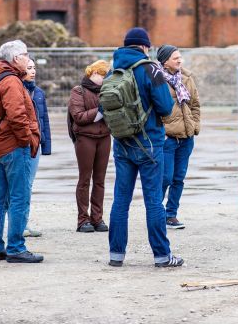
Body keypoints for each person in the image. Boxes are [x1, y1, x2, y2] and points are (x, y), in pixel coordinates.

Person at [107, 27, 184, 268]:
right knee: (153, 201)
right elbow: (165, 107)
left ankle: (116, 255)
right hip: (149, 142)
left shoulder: (113, 70)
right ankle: (162, 255)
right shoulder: (151, 68)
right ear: (144, 46)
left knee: (121, 200)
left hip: (121, 142)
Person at [0, 40, 44, 263]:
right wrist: (27, 140)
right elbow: (17, 116)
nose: (29, 59)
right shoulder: (11, 81)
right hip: (13, 147)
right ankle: (16, 248)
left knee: (0, 198)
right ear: (16, 58)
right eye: (26, 54)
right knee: (19, 197)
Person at [156, 44, 200, 230]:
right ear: (165, 62)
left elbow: (195, 104)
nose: (180, 61)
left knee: (178, 179)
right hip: (167, 139)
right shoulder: (156, 80)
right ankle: (156, 213)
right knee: (165, 177)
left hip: (186, 137)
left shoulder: (186, 78)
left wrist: (195, 126)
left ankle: (171, 214)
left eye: (180, 57)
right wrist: (162, 132)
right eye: (175, 58)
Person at [67, 59, 112, 233]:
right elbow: (78, 116)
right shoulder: (78, 91)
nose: (106, 79)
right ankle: (82, 219)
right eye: (103, 75)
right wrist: (100, 111)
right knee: (85, 179)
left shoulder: (107, 91)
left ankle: (97, 218)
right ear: (93, 74)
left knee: (100, 180)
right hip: (85, 138)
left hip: (104, 137)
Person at [21, 56, 51, 238]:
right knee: (20, 186)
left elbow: (44, 120)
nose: (33, 71)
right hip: (23, 143)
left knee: (29, 185)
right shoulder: (16, 89)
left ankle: (24, 222)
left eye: (33, 68)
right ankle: (18, 224)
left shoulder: (38, 92)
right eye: (29, 68)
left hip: (36, 144)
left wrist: (45, 145)